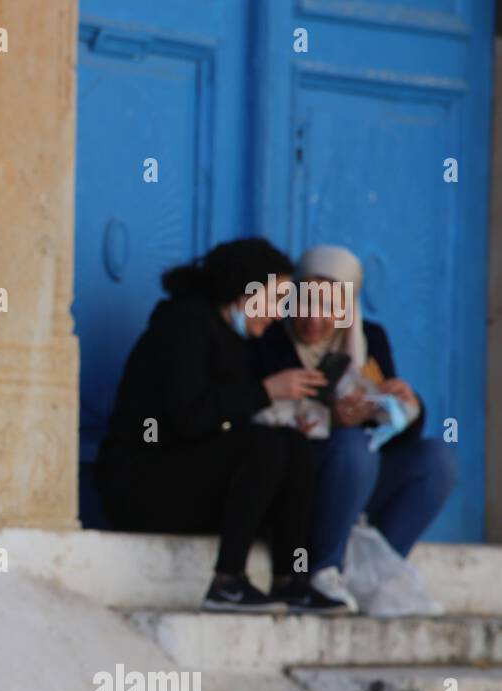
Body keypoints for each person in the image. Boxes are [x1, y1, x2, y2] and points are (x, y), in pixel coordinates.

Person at [97, 238, 350, 614]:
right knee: (265, 447)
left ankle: (291, 579)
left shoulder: (238, 340)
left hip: (193, 485)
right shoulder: (182, 326)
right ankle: (227, 581)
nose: (279, 314)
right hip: (144, 489)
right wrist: (266, 391)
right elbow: (189, 418)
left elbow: (232, 419)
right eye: (274, 299)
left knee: (292, 445)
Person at [253, 244, 456, 613]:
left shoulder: (368, 339)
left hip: (356, 479)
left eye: (328, 307)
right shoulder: (269, 338)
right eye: (305, 304)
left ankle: (373, 574)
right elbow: (255, 418)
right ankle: (323, 570)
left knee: (434, 459)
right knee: (351, 445)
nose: (313, 320)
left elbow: (395, 428)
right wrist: (331, 417)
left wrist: (402, 404)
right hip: (298, 487)